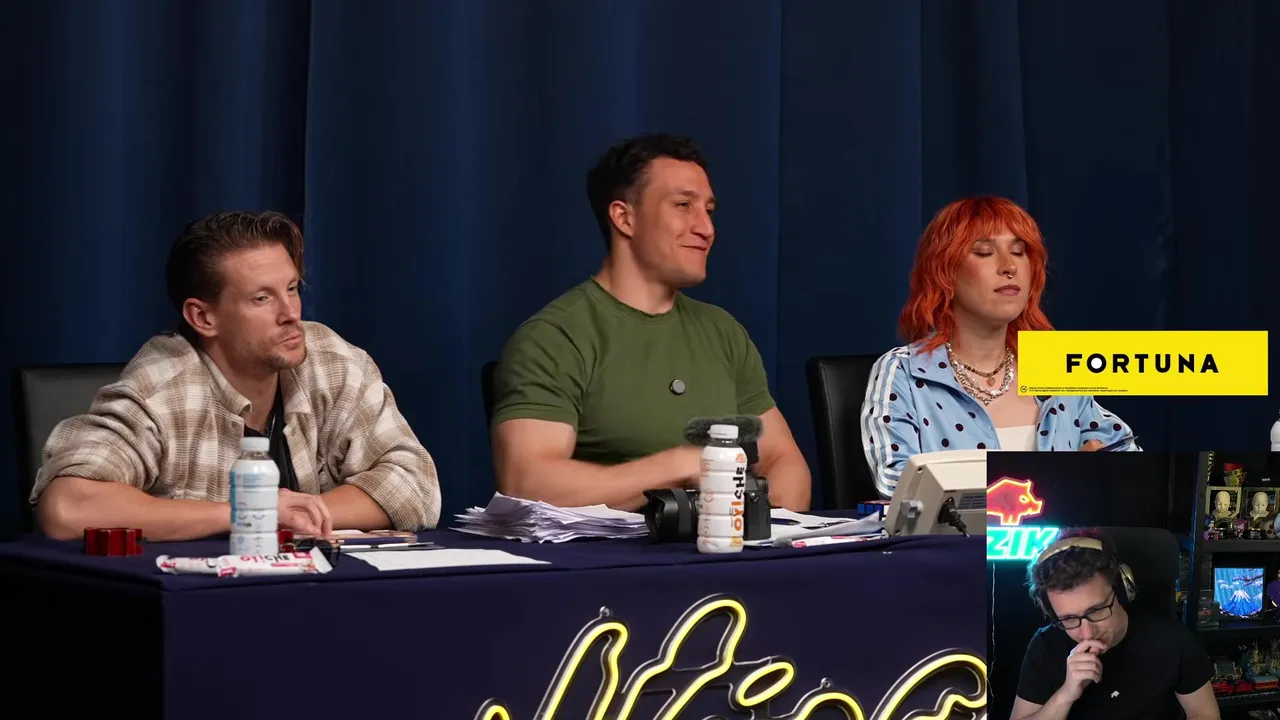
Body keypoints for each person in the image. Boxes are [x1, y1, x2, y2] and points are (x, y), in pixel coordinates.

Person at [30, 211, 441, 541]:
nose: (291, 314)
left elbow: (415, 483)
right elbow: (67, 508)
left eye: (292, 289)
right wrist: (249, 513)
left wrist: (296, 514)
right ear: (203, 317)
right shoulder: (162, 387)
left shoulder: (330, 360)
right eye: (262, 298)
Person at [490, 133, 810, 511]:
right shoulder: (554, 337)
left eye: (708, 210)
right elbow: (527, 482)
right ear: (624, 217)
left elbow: (782, 460)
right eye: (683, 205)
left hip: (726, 546)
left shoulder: (723, 332)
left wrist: (765, 530)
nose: (706, 228)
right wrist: (680, 466)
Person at [860, 196, 1138, 498]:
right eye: (984, 252)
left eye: (1019, 252)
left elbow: (1126, 455)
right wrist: (1052, 485)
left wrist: (1100, 476)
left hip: (1061, 530)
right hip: (961, 532)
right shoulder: (904, 371)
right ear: (944, 271)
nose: (1009, 266)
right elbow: (896, 483)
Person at [1011, 530, 1219, 720]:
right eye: (1069, 619)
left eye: (1097, 610)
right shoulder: (1046, 646)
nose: (1087, 633)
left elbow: (1205, 713)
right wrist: (1065, 695)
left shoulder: (1172, 641)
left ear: (1122, 591)